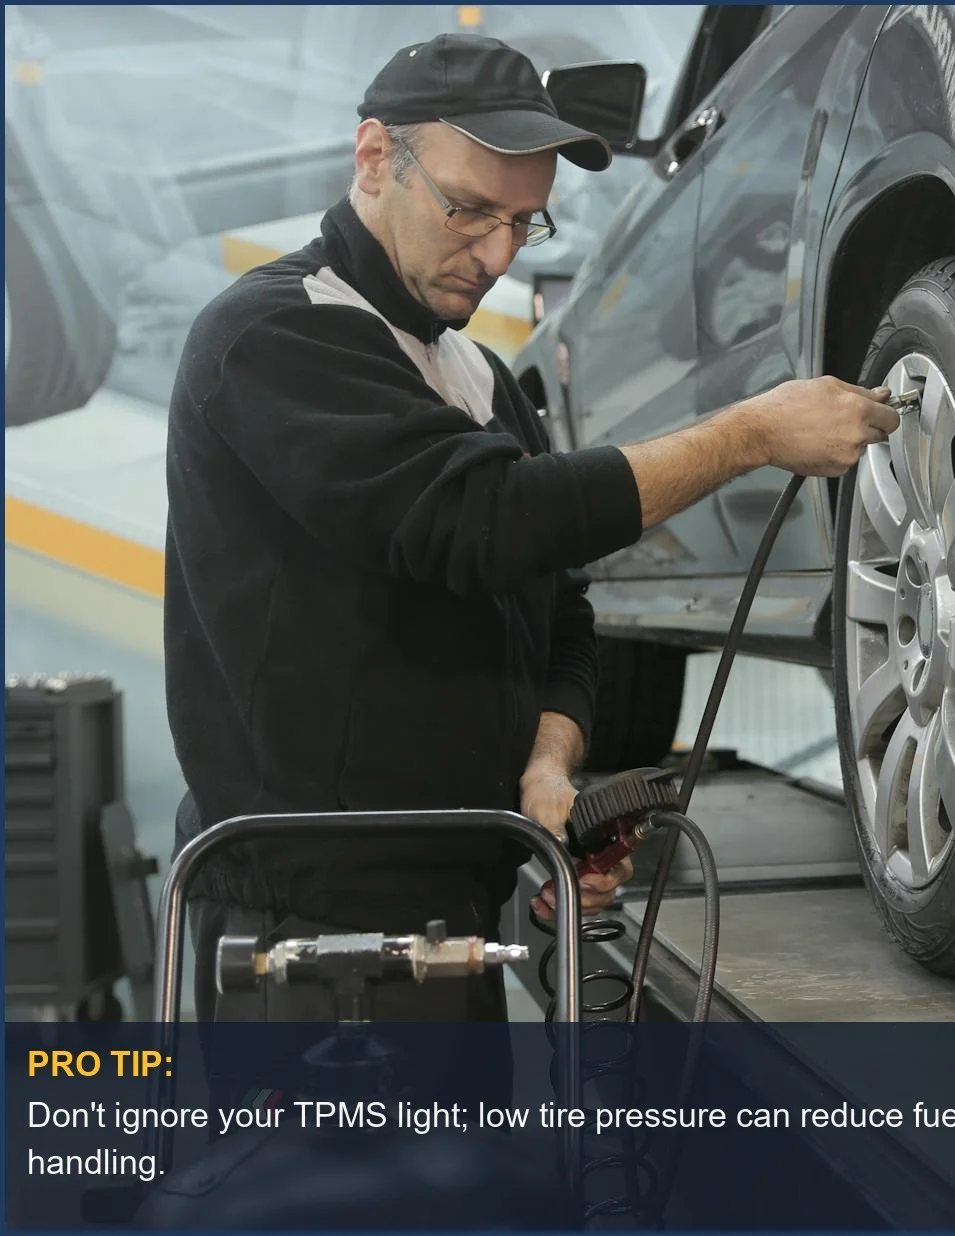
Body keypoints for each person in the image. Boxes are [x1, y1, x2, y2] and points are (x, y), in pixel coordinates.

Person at [165, 33, 898, 1021]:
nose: (499, 255)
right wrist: (751, 432)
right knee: (324, 1182)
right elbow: (483, 522)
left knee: (470, 1178)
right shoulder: (275, 335)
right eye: (469, 210)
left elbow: (558, 607)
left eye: (526, 223)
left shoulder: (481, 380)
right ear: (375, 158)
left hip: (449, 910)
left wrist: (546, 771)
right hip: (305, 933)